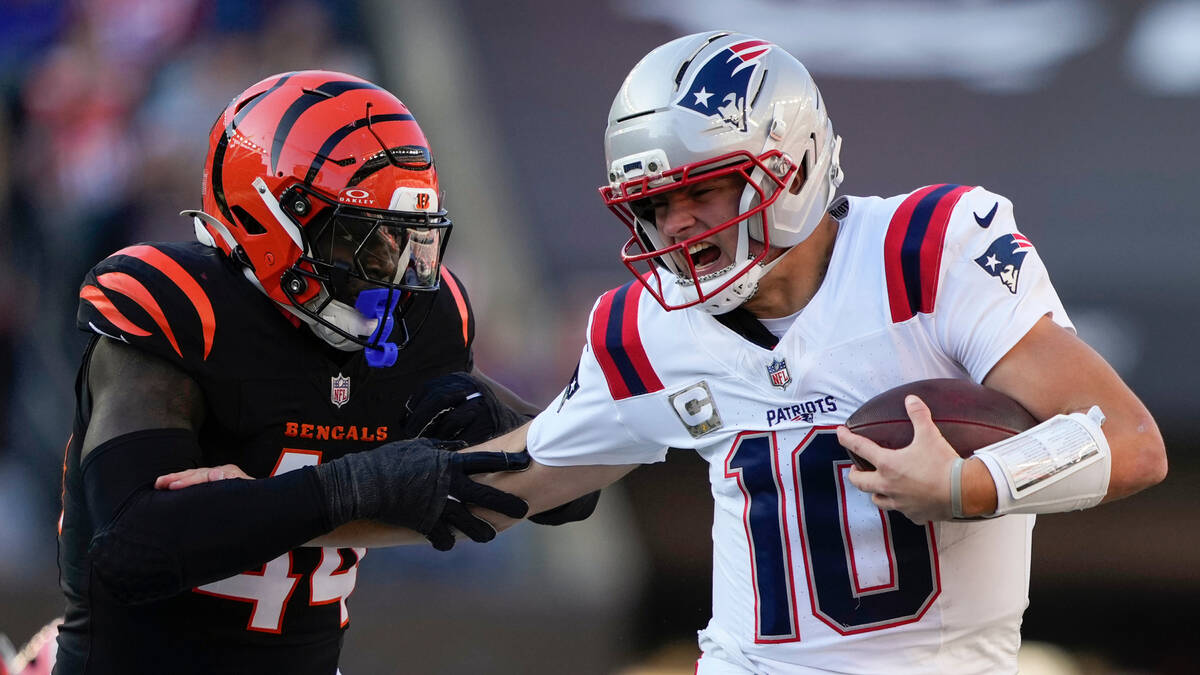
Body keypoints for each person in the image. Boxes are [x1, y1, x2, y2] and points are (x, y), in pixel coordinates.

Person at [467, 32, 1167, 673]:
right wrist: (402, 480)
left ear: (793, 167)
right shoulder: (644, 326)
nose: (676, 225)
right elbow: (510, 485)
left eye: (701, 189)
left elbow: (1132, 442)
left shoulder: (926, 254)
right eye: (653, 204)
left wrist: (967, 485)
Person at [54, 70, 537, 675]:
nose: (390, 271)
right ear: (268, 217)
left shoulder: (425, 324)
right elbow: (132, 551)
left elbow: (571, 493)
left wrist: (510, 426)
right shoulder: (183, 305)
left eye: (401, 239)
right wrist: (356, 487)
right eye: (360, 238)